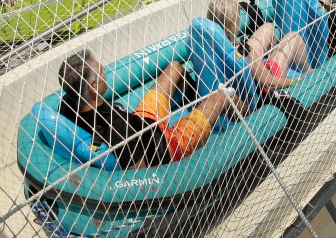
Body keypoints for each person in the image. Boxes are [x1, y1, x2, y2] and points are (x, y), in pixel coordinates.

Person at [57, 50, 244, 169]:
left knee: (175, 68)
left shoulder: (69, 103)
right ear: (93, 87)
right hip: (167, 146)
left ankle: (197, 103)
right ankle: (254, 115)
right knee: (224, 95)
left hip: (142, 122)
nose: (106, 71)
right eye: (101, 71)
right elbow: (142, 175)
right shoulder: (118, 129)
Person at [207, 0, 308, 92]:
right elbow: (270, 83)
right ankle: (311, 74)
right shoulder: (242, 51)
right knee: (293, 37)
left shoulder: (211, 47)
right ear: (234, 24)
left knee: (268, 27)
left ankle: (265, 65)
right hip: (266, 87)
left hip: (251, 79)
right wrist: (297, 80)